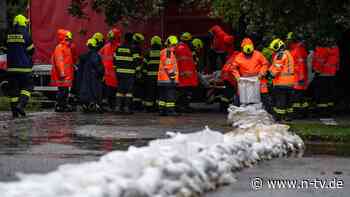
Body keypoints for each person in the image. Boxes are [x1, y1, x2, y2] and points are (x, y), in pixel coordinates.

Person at [5, 14, 35, 118]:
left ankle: (14, 113)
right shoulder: (25, 34)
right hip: (24, 68)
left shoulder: (8, 33)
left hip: (11, 68)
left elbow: (5, 48)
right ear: (23, 22)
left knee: (13, 91)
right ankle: (21, 105)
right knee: (28, 86)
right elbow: (31, 51)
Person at [231, 38, 269, 105]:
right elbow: (233, 68)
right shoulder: (238, 57)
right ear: (242, 49)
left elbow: (265, 64)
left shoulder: (258, 54)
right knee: (241, 96)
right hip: (244, 80)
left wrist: (261, 73)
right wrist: (237, 77)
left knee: (264, 96)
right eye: (246, 54)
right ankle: (240, 110)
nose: (248, 55)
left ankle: (266, 111)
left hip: (258, 78)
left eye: (250, 54)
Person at [269, 38, 295, 121]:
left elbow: (277, 67)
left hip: (281, 82)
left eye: (274, 49)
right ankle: (288, 116)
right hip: (290, 82)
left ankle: (279, 117)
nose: (273, 51)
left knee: (280, 100)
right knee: (288, 101)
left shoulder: (280, 55)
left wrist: (270, 75)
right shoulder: (288, 53)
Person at [312, 37, 339, 117]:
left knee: (322, 94)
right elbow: (337, 62)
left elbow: (320, 62)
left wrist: (316, 71)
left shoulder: (322, 50)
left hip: (322, 74)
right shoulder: (336, 50)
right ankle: (329, 111)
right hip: (332, 74)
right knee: (329, 94)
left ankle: (322, 112)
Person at [77, 38, 105, 113]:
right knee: (96, 91)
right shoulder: (95, 55)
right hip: (94, 77)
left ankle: (86, 105)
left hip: (85, 78)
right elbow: (98, 67)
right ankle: (95, 105)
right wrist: (102, 72)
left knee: (87, 91)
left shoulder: (84, 56)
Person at [50, 29, 74, 112]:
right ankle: (59, 105)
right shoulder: (60, 48)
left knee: (65, 90)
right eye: (68, 39)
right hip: (62, 75)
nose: (70, 40)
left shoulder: (67, 47)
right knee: (62, 91)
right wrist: (62, 72)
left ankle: (63, 105)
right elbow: (59, 61)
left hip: (66, 74)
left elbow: (67, 61)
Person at [287, 32, 309, 118]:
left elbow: (301, 64)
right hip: (298, 76)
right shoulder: (296, 49)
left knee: (297, 97)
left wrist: (301, 77)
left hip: (298, 77)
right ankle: (302, 113)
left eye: (288, 40)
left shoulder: (298, 49)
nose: (287, 42)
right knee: (301, 97)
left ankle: (298, 113)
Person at [175, 32, 198, 112]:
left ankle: (184, 106)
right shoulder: (183, 48)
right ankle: (182, 107)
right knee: (184, 92)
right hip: (185, 75)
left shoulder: (181, 47)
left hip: (184, 74)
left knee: (185, 92)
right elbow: (184, 62)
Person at [99, 28, 122, 111]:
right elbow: (99, 57)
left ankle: (113, 106)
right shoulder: (108, 47)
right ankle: (112, 106)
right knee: (111, 92)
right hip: (110, 75)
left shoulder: (117, 47)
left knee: (113, 92)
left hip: (113, 75)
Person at [158, 35, 179, 116]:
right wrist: (172, 76)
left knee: (163, 96)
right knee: (170, 96)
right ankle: (170, 111)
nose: (176, 46)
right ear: (172, 44)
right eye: (175, 44)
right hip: (168, 79)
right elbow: (168, 65)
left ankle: (162, 110)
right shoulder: (168, 52)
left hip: (162, 79)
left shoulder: (164, 51)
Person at [114, 32, 135, 114]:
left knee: (119, 91)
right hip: (129, 74)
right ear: (131, 39)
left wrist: (117, 70)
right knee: (128, 92)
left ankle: (118, 108)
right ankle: (126, 108)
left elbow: (114, 60)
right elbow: (137, 61)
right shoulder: (132, 49)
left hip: (119, 73)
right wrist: (137, 71)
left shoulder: (118, 48)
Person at [143, 35, 162, 112]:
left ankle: (149, 107)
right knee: (158, 92)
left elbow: (144, 66)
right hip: (160, 77)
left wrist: (144, 75)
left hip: (150, 77)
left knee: (150, 92)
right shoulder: (162, 53)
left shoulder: (148, 53)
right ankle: (157, 107)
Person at [131, 33, 145, 111]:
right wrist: (138, 72)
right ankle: (136, 106)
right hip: (136, 72)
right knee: (137, 90)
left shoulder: (132, 47)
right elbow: (136, 61)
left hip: (133, 71)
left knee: (135, 89)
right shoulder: (136, 48)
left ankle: (135, 105)